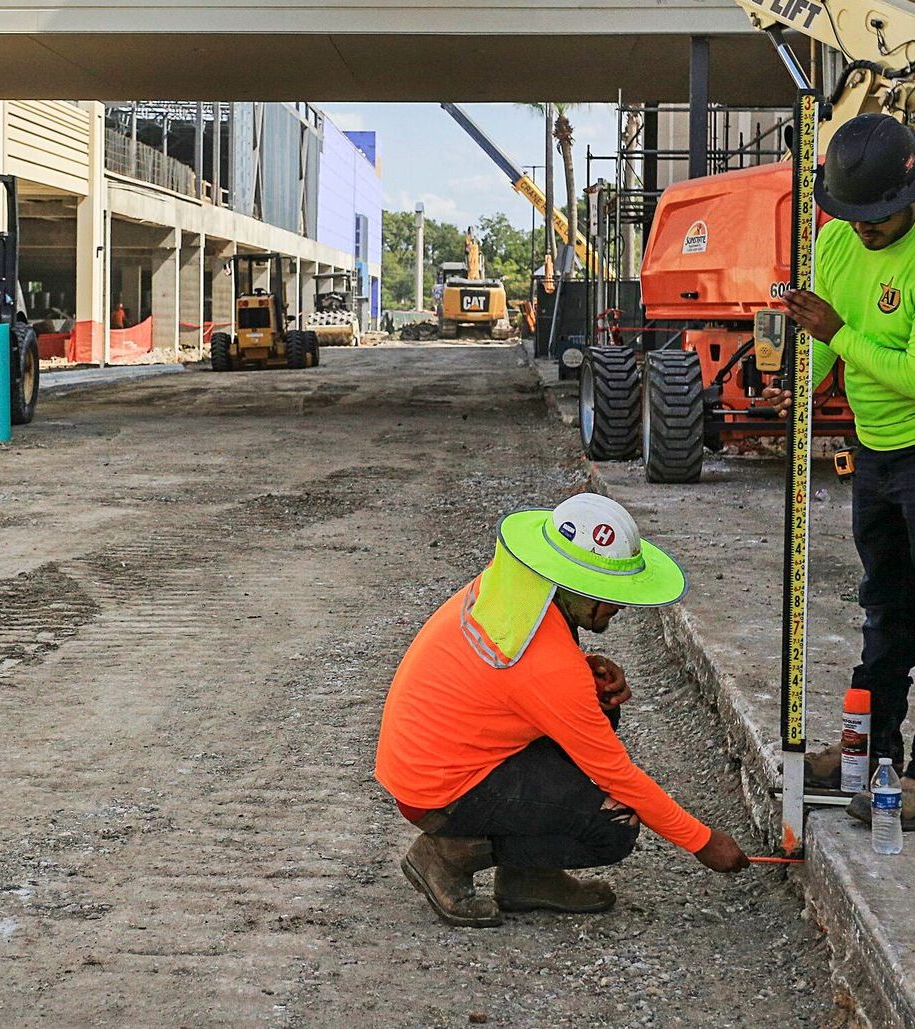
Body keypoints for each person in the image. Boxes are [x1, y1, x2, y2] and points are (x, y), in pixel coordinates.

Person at [375, 493, 748, 928]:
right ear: (578, 589)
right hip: (440, 793)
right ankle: (448, 855)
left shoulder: (513, 590)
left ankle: (526, 880)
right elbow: (618, 775)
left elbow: (510, 683)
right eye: (611, 593)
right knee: (614, 826)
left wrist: (586, 675)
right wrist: (702, 841)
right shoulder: (549, 664)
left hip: (430, 763)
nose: (622, 606)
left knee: (597, 717)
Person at [766, 113, 915, 827]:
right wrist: (798, 375)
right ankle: (872, 756)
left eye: (877, 220)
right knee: (883, 607)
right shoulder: (832, 238)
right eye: (852, 217)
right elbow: (824, 344)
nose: (863, 232)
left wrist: (838, 334)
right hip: (876, 454)